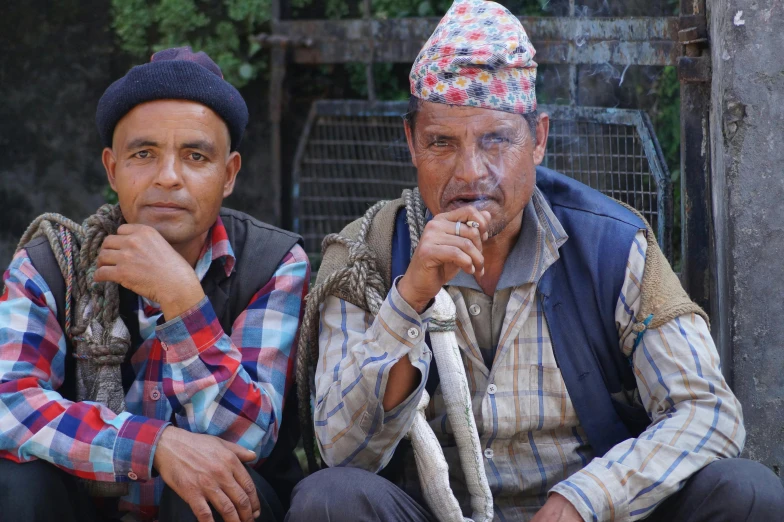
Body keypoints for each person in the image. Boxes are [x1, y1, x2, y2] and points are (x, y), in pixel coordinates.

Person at [286, 1, 784, 521]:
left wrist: (583, 499)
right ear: (412, 143)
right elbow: (341, 453)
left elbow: (709, 412)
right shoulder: (367, 254)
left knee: (746, 492)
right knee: (329, 501)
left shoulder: (612, 244)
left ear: (538, 140)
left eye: (496, 140)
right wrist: (408, 299)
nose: (470, 173)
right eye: (441, 143)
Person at [0, 47, 309, 522]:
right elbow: (10, 404)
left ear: (228, 175)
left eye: (195, 155)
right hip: (84, 508)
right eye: (144, 154)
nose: (168, 178)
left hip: (217, 510)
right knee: (14, 484)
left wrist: (182, 300)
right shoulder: (52, 262)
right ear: (112, 168)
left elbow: (248, 441)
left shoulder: (270, 264)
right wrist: (155, 445)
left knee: (206, 489)